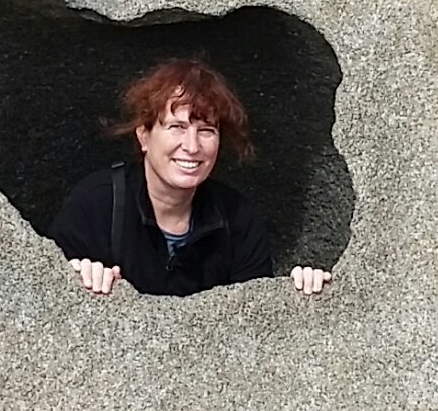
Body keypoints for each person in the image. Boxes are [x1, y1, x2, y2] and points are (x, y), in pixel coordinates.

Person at [48, 59, 333, 299]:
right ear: (144, 136)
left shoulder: (238, 220)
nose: (192, 146)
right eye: (177, 127)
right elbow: (48, 300)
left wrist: (299, 292)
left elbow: (259, 320)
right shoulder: (95, 205)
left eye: (206, 130)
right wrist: (80, 275)